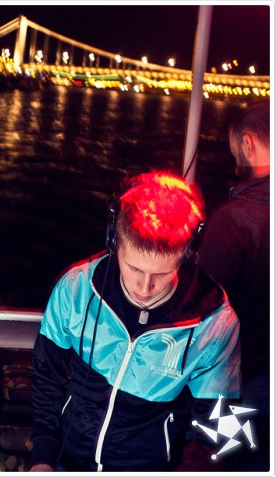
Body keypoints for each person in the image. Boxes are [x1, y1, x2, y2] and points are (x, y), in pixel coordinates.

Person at [29, 171, 241, 472]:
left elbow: (218, 429)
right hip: (66, 461)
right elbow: (46, 378)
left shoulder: (216, 324)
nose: (144, 287)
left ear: (188, 254)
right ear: (114, 241)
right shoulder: (75, 288)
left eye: (162, 274)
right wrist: (42, 457)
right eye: (133, 269)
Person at [197, 101, 270, 470]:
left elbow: (202, 309)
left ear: (248, 143)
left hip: (242, 388)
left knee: (224, 463)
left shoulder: (234, 220)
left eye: (234, 152)